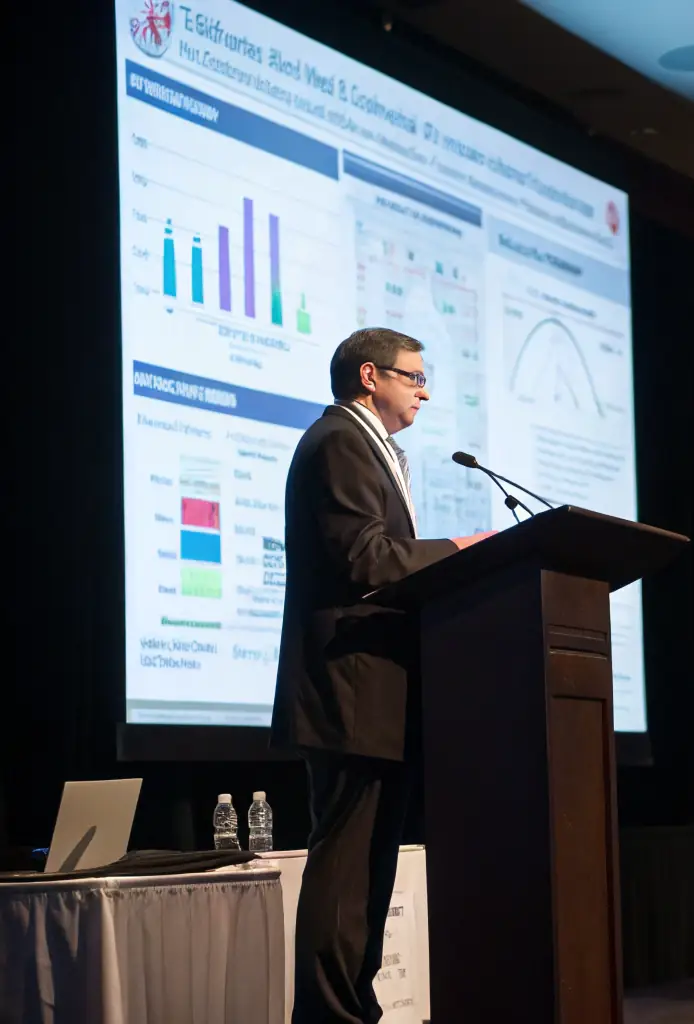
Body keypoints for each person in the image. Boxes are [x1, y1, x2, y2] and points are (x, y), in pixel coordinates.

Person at [272, 328, 480, 1024]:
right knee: (346, 870)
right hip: (349, 688)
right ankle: (333, 1015)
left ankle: (352, 1008)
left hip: (378, 692)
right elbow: (363, 558)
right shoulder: (339, 440)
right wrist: (458, 550)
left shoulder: (371, 448)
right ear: (370, 375)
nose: (424, 389)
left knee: (367, 872)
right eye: (413, 376)